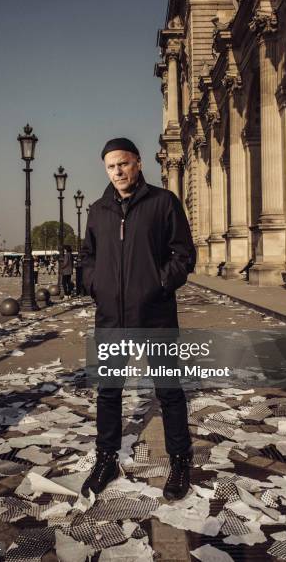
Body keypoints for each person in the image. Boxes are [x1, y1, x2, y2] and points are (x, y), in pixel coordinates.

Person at [81, 137, 196, 500]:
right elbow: (88, 257)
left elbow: (184, 254)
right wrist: (94, 283)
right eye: (111, 166)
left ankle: (180, 461)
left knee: (169, 393)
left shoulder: (164, 203)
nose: (118, 171)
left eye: (124, 164)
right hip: (111, 321)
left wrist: (160, 284)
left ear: (138, 164)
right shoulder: (98, 210)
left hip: (155, 317)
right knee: (108, 393)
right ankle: (106, 460)